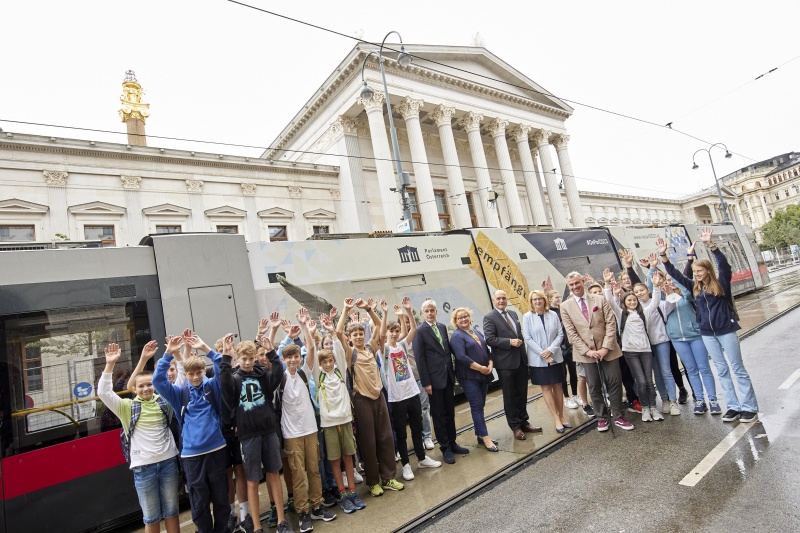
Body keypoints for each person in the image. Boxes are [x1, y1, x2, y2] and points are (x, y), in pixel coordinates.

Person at [658, 228, 759, 423]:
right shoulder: (694, 287)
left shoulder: (720, 283)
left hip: (726, 330)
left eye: (699, 271)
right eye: (694, 272)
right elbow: (675, 274)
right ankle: (733, 406)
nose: (695, 274)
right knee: (721, 369)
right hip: (707, 333)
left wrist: (711, 245)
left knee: (737, 368)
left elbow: (725, 266)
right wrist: (663, 255)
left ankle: (749, 407)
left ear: (707, 271)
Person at [99, 341, 180, 533]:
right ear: (134, 389)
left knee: (172, 512)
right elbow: (103, 392)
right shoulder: (126, 407)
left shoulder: (164, 400)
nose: (146, 388)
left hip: (169, 462)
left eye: (150, 384)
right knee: (151, 517)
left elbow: (181, 381)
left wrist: (174, 354)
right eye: (141, 385)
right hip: (143, 468)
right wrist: (110, 364)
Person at [154, 332, 230, 533]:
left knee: (222, 498)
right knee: (199, 502)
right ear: (185, 375)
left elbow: (225, 367)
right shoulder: (179, 394)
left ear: (204, 371)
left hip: (216, 449)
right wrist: (168, 354)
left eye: (199, 372)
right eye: (191, 374)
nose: (196, 377)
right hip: (191, 456)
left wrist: (205, 348)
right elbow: (158, 382)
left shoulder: (213, 386)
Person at [219, 332, 292, 533]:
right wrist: (225, 357)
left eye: (251, 358)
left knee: (274, 474)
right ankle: (257, 527)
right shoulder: (234, 379)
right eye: (244, 359)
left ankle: (281, 521)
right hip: (248, 435)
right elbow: (224, 382)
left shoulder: (262, 375)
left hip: (268, 431)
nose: (249, 362)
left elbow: (277, 373)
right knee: (252, 479)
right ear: (237, 359)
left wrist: (271, 352)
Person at [335, 298, 404, 496]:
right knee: (369, 442)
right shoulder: (350, 354)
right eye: (354, 334)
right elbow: (338, 332)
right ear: (350, 338)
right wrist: (346, 309)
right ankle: (373, 482)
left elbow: (380, 330)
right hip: (362, 400)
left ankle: (389, 477)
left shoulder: (372, 348)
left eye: (360, 333)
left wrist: (370, 310)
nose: (358, 336)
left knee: (386, 438)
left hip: (379, 397)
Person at [278, 312, 337, 533]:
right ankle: (303, 512)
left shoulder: (304, 373)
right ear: (284, 360)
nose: (293, 360)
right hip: (292, 435)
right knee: (298, 474)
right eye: (289, 358)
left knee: (314, 470)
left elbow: (311, 349)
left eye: (296, 356)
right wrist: (286, 337)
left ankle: (317, 506)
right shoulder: (281, 378)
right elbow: (274, 359)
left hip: (311, 430)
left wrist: (304, 327)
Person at [560, 271, 634, 432]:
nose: (575, 286)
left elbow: (610, 323)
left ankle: (619, 416)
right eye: (571, 285)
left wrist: (606, 347)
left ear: (582, 283)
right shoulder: (565, 306)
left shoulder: (600, 299)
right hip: (586, 354)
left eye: (577, 283)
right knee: (593, 385)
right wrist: (587, 351)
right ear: (568, 287)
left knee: (614, 382)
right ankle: (602, 418)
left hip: (609, 350)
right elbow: (571, 333)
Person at [379, 298, 443, 480]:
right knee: (401, 431)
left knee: (416, 428)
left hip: (412, 392)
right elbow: (381, 336)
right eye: (392, 331)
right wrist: (384, 314)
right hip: (397, 397)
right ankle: (406, 464)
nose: (394, 334)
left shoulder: (402, 345)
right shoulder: (384, 350)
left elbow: (413, 330)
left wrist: (407, 311)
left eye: (397, 331)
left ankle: (422, 458)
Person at [314, 314, 367, 515]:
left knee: (348, 457)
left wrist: (332, 331)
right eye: (324, 362)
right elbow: (312, 357)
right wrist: (314, 336)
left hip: (345, 420)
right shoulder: (318, 376)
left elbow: (337, 347)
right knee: (335, 460)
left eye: (330, 360)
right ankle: (343, 494)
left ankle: (353, 492)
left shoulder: (339, 371)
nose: (328, 364)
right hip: (329, 424)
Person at [412, 299, 471, 464]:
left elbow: (447, 352)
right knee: (438, 414)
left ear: (436, 311)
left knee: (449, 412)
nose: (430, 313)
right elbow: (420, 358)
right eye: (427, 311)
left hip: (447, 377)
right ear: (423, 313)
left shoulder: (442, 327)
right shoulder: (420, 331)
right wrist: (426, 382)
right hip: (433, 380)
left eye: (432, 310)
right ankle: (445, 448)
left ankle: (453, 443)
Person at [602, 270, 663, 422]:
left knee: (649, 381)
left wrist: (656, 286)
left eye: (634, 300)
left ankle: (653, 408)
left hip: (646, 351)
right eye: (629, 301)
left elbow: (655, 302)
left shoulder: (644, 313)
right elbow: (609, 300)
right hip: (630, 352)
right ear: (624, 303)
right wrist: (608, 284)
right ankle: (645, 409)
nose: (632, 302)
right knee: (641, 381)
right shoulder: (621, 314)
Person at [483, 290, 542, 441]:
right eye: (498, 298)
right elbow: (490, 339)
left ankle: (524, 421)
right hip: (505, 364)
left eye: (504, 298)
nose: (501, 301)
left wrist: (527, 358)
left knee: (522, 394)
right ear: (493, 300)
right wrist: (509, 342)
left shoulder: (513, 314)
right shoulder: (489, 317)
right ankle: (515, 427)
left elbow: (520, 337)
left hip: (520, 361)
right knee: (509, 396)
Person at [661, 277, 721, 415]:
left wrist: (677, 285)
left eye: (673, 279)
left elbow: (689, 295)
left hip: (695, 336)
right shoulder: (664, 300)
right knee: (691, 370)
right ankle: (700, 400)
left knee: (704, 368)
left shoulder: (687, 294)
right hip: (678, 339)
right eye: (668, 280)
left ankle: (713, 400)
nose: (671, 282)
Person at [449, 307, 498, 451]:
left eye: (465, 316)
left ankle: (480, 435)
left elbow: (486, 350)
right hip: (470, 376)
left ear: (470, 318)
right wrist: (480, 368)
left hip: (483, 374)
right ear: (455, 321)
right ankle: (486, 437)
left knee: (480, 405)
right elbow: (461, 357)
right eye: (460, 318)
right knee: (477, 406)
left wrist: (490, 363)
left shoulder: (475, 331)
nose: (463, 319)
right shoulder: (457, 336)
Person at [523, 290, 570, 433]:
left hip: (555, 356)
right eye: (534, 300)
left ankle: (562, 416)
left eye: (540, 299)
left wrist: (550, 350)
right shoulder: (527, 317)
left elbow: (560, 334)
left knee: (558, 386)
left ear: (544, 300)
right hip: (538, 360)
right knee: (546, 388)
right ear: (531, 302)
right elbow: (528, 338)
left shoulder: (553, 315)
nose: (537, 302)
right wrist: (543, 353)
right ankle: (556, 418)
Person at [547, 289, 591, 417]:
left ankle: (575, 395)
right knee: (563, 373)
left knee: (573, 371)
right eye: (556, 297)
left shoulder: (564, 308)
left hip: (570, 346)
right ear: (550, 299)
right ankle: (566, 397)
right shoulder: (550, 312)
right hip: (559, 347)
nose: (558, 299)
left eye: (559, 296)